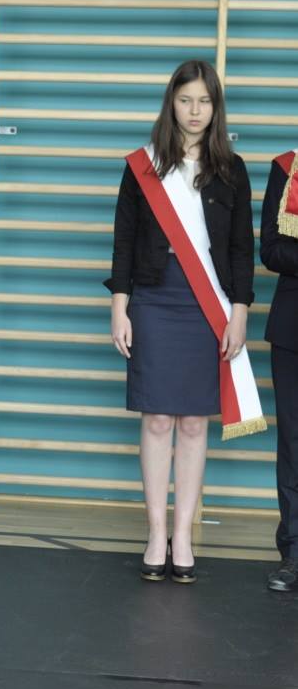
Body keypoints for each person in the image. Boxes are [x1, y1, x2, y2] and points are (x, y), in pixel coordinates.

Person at [106, 59, 263, 586]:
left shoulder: (232, 169)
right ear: (170, 103)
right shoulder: (142, 166)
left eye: (204, 101)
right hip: (154, 297)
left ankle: (184, 535)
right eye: (185, 100)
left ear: (216, 108)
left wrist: (239, 311)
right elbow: (124, 240)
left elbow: (241, 248)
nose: (195, 111)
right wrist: (120, 305)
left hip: (208, 303)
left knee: (195, 422)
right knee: (156, 419)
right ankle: (155, 534)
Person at [260, 146, 298, 592]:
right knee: (293, 442)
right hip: (293, 326)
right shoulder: (287, 168)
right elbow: (270, 249)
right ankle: (294, 553)